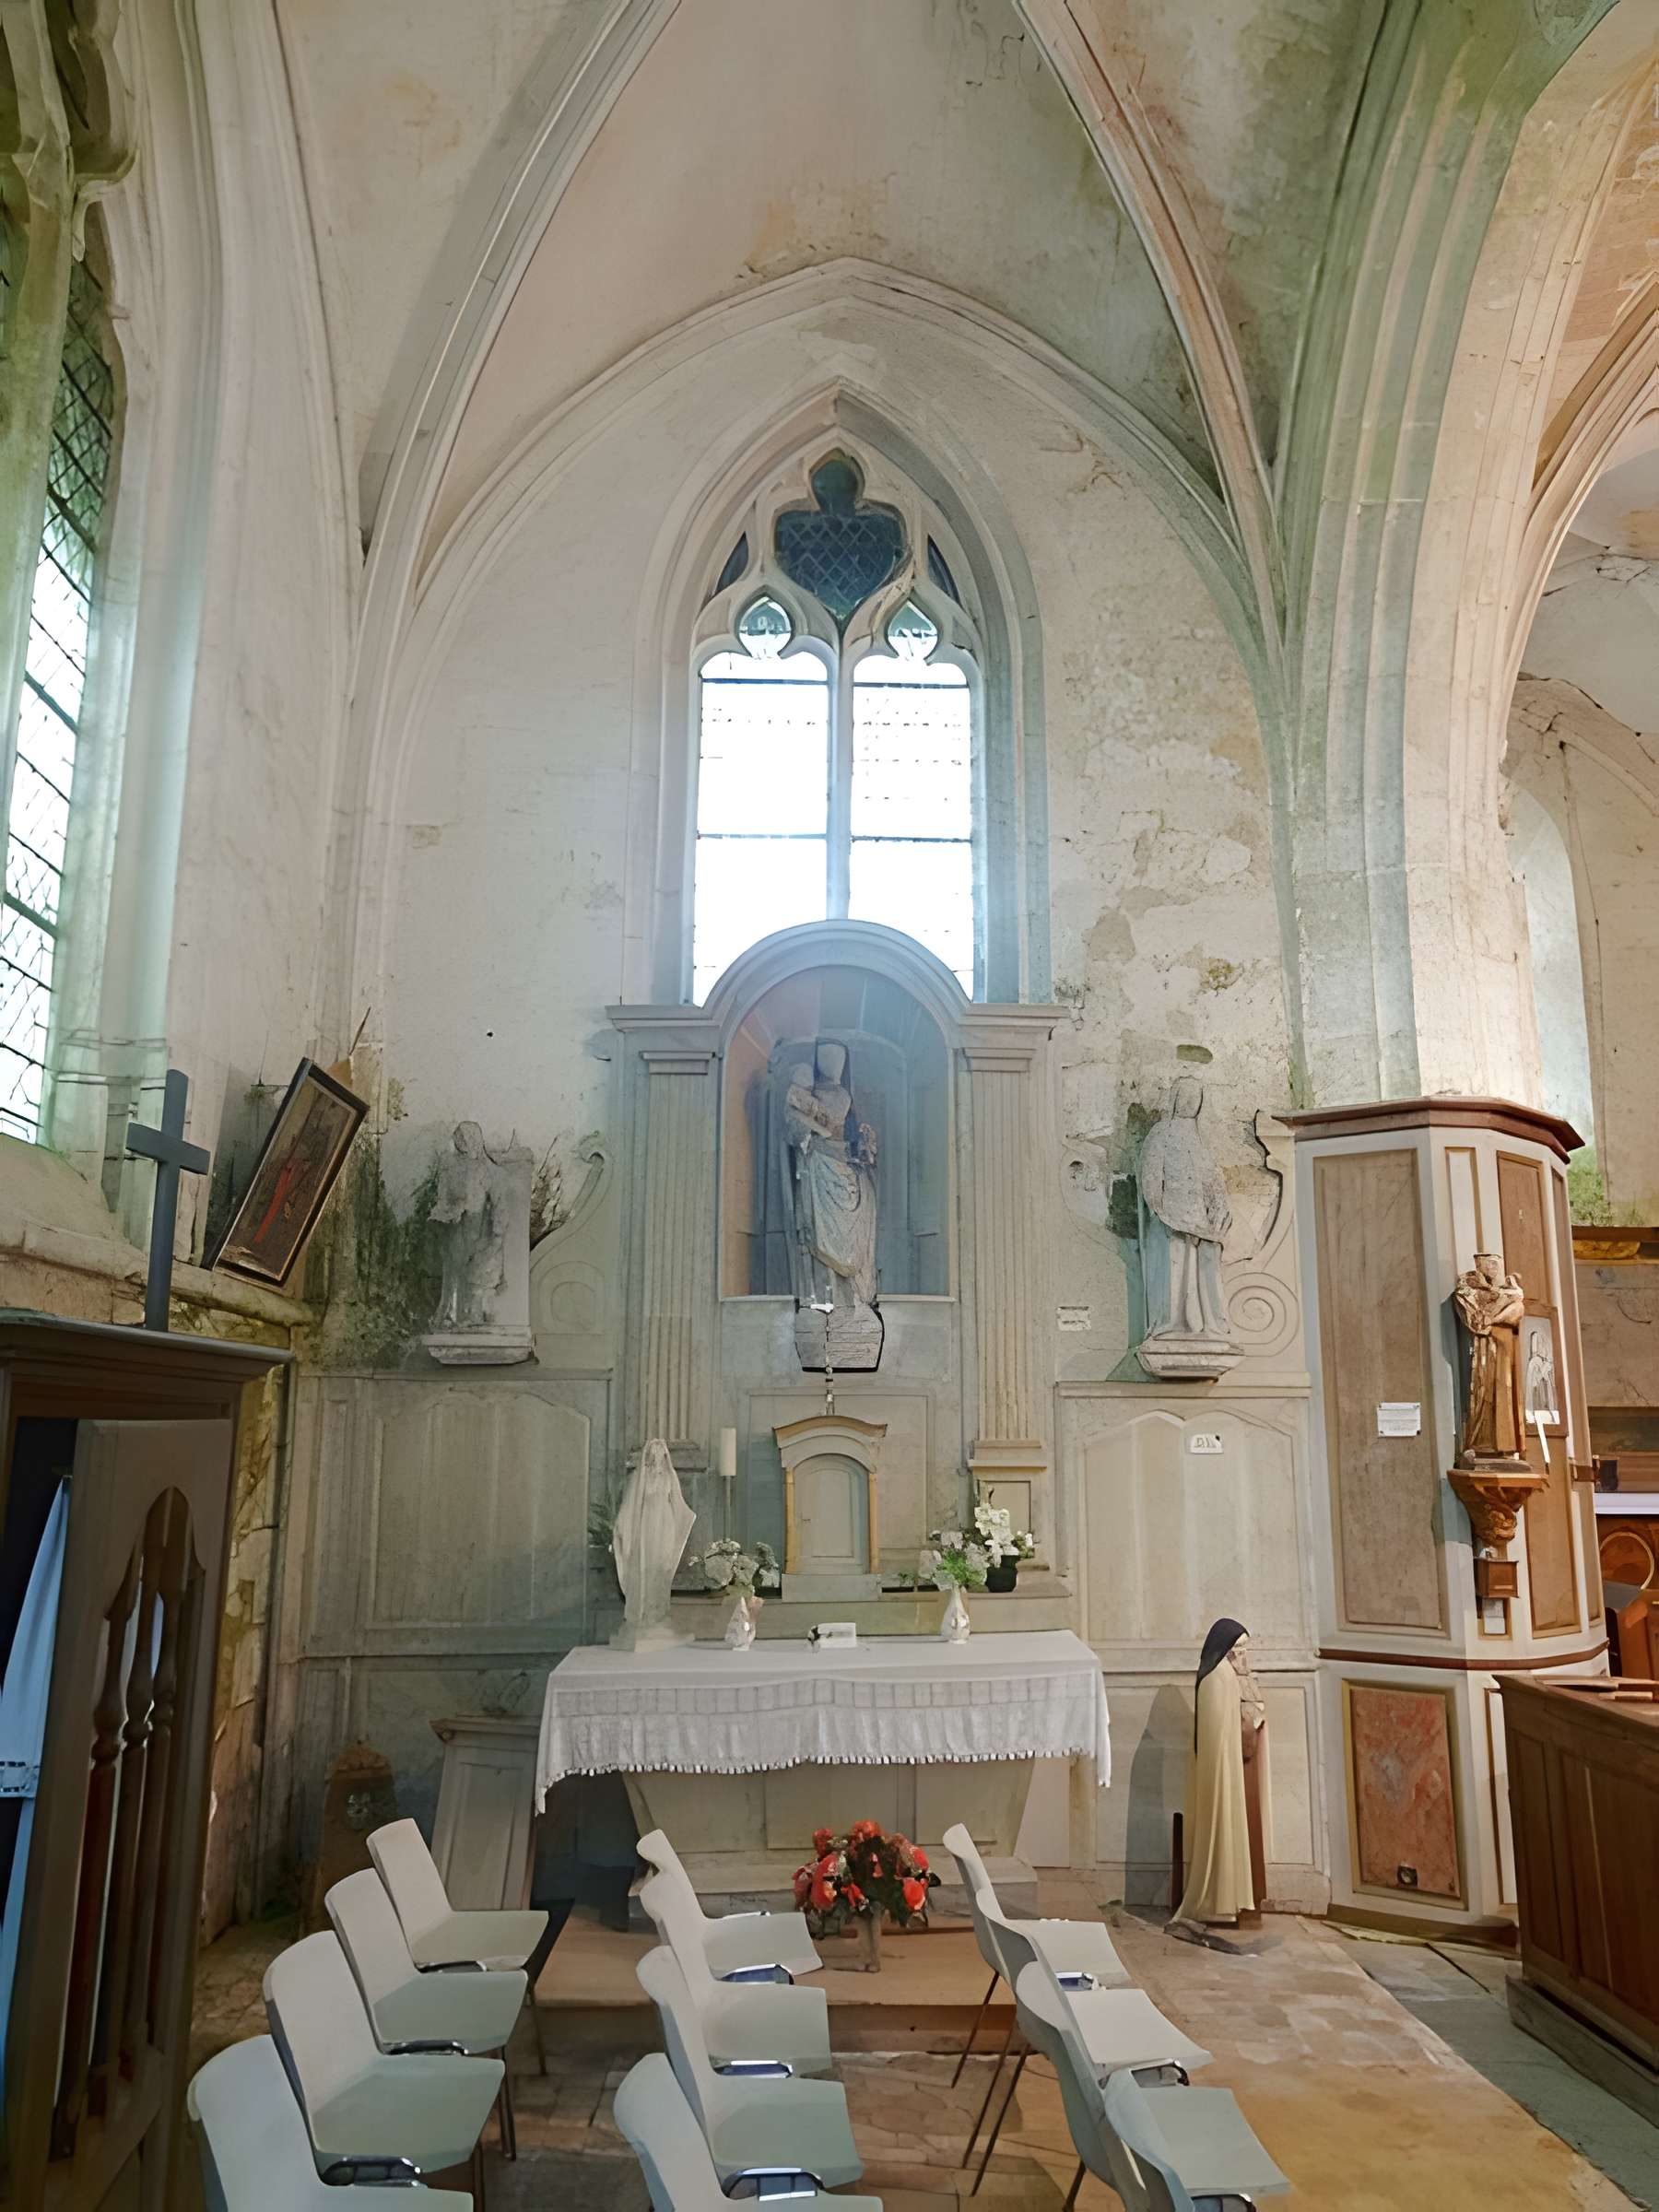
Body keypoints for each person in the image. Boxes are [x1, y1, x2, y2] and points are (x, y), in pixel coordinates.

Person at [1174, 1618, 1266, 1930]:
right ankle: (1216, 1902)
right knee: (1221, 1829)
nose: (1242, 1656)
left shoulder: (1225, 1675)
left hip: (1228, 1770)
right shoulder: (1218, 1677)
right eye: (1238, 1648)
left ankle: (1228, 1901)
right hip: (1219, 1772)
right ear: (1224, 1647)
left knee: (1232, 1828)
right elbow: (1215, 1735)